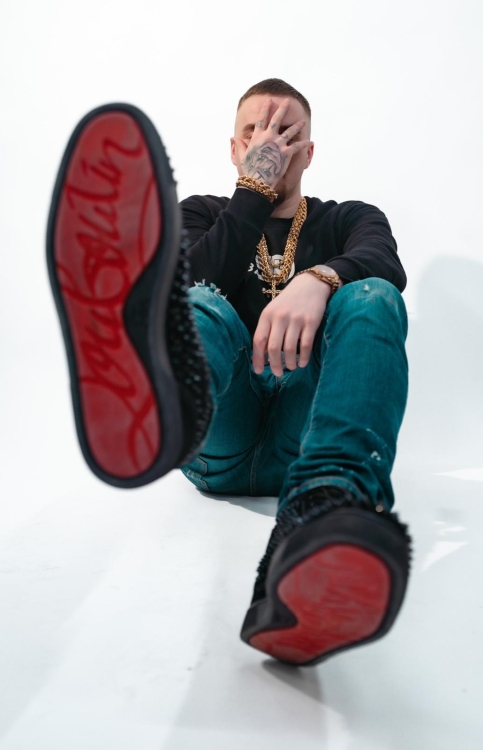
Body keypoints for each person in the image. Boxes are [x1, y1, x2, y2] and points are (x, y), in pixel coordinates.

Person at [47, 78, 411, 667]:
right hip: (217, 428)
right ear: (235, 149)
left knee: (372, 295)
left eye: (285, 133)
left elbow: (384, 263)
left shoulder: (349, 219)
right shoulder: (202, 214)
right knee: (191, 298)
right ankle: (162, 407)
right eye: (256, 132)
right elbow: (189, 278)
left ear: (309, 152)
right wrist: (254, 189)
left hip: (305, 438)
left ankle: (326, 514)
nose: (271, 143)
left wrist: (317, 280)